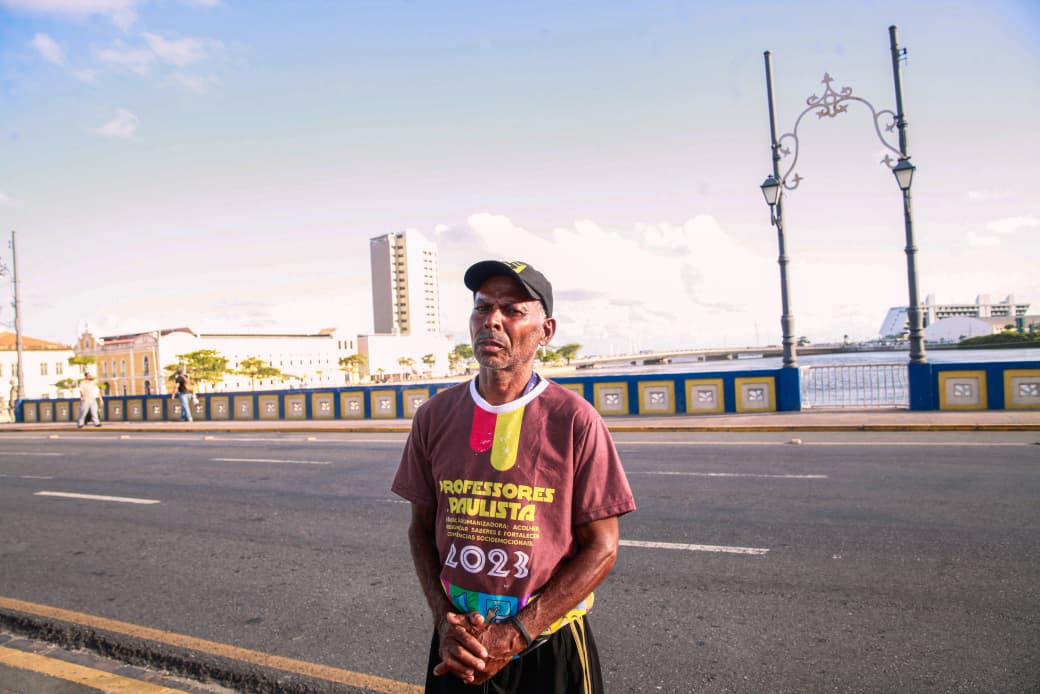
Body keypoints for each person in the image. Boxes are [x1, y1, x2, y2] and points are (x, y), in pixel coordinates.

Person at [392, 260, 636, 693]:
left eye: (513, 310)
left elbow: (602, 547)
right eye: (483, 308)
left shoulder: (575, 420)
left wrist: (517, 632)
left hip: (546, 643)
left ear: (546, 330)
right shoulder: (434, 416)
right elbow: (421, 530)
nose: (493, 321)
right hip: (459, 645)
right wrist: (443, 622)